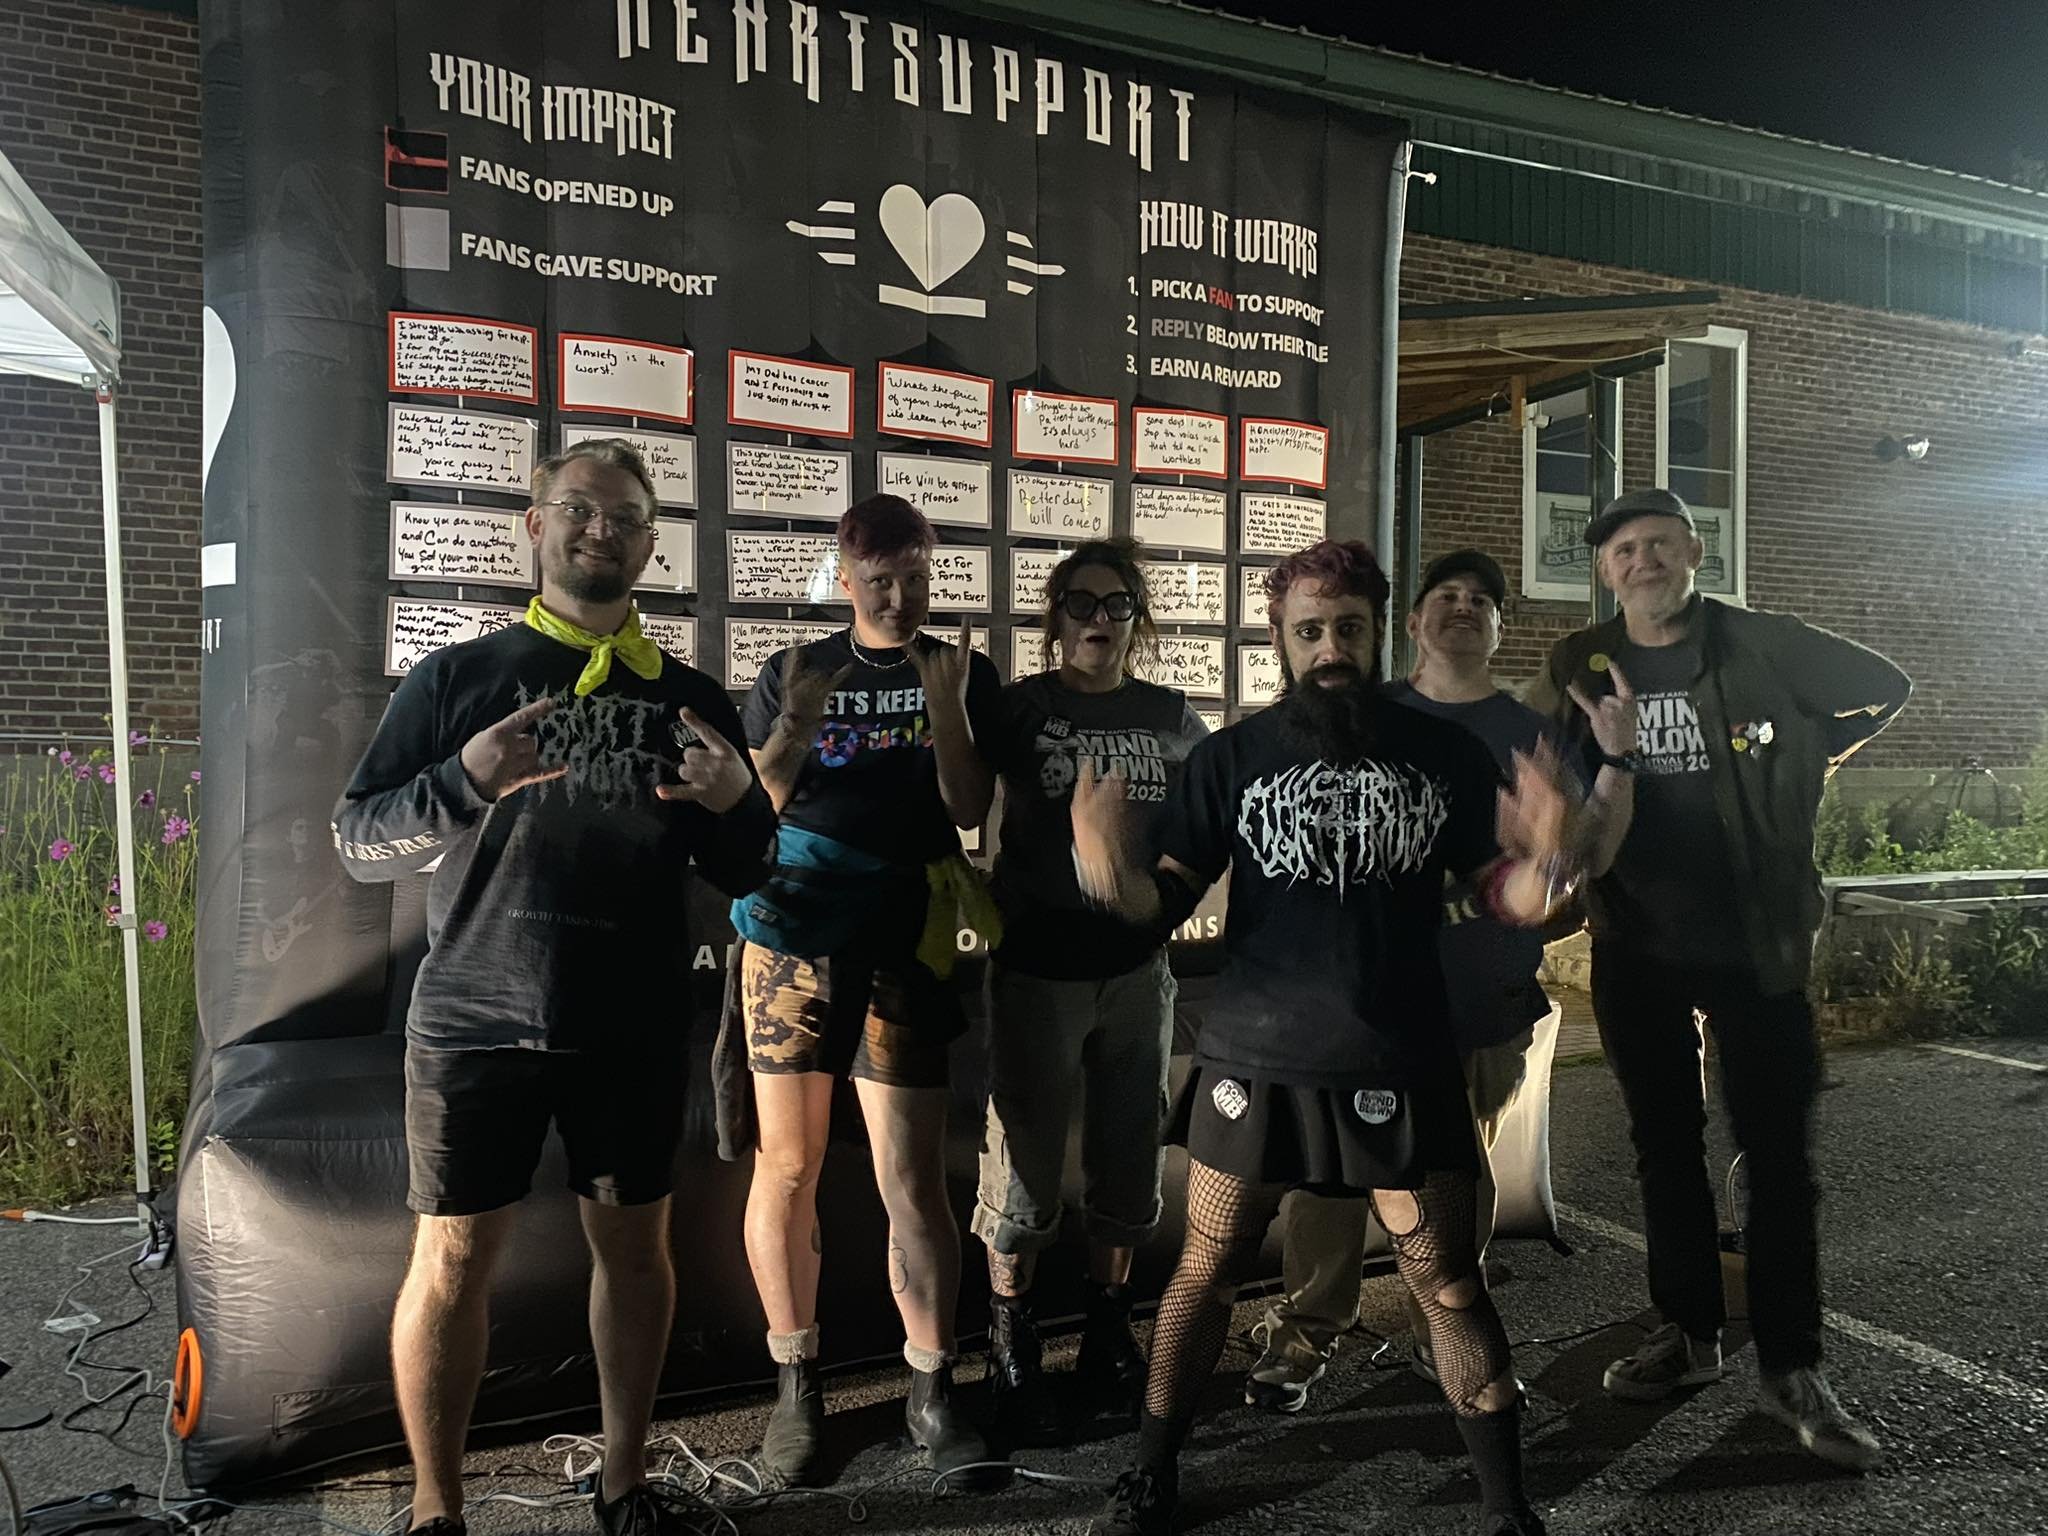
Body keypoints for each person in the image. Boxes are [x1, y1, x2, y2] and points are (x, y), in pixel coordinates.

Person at [1074, 538, 1591, 1536]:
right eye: (1308, 631)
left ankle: (1505, 1507)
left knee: (1446, 1281)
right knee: (1205, 1269)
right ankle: (1149, 1475)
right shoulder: (1231, 757)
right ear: (1279, 637)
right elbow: (1160, 904)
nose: (1328, 649)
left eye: (1347, 629)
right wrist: (1107, 872)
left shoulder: (1443, 754)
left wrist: (1547, 860)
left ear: (1377, 631)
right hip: (1254, 1057)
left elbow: (1507, 898)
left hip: (1400, 1053)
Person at [333, 439, 777, 1536]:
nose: (600, 531)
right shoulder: (456, 680)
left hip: (629, 1026)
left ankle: (622, 1486)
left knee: (635, 1255)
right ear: (535, 525)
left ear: (650, 546)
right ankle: (436, 1511)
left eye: (625, 518)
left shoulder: (686, 699)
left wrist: (737, 803)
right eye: (579, 509)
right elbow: (358, 842)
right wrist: (461, 781)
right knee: (449, 1259)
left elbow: (751, 871)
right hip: (471, 1022)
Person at [1525, 486, 1910, 1471]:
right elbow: (1544, 768)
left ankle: (1792, 1366)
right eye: (1623, 551)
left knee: (1777, 1159)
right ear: (1604, 570)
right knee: (1663, 1148)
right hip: (1636, 942)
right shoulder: (1579, 662)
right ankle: (1688, 1334)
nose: (1642, 561)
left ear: (1695, 551)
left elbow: (1886, 684)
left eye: (1659, 543)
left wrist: (1815, 750)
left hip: (1755, 943)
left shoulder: (1762, 642)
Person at [1242, 548, 1636, 1413]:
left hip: (1480, 998)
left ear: (1499, 629)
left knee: (1456, 1180)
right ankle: (1307, 1329)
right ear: (1412, 623)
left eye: (1482, 600)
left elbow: (1573, 861)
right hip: (1357, 1006)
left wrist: (1583, 812)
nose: (1464, 606)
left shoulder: (1529, 733)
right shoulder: (1362, 713)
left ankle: (1441, 1332)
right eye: (1445, 595)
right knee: (1329, 1177)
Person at [730, 493, 1007, 1489]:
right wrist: (797, 723)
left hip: (905, 936)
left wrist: (947, 712)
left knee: (911, 1176)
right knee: (787, 1165)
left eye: (915, 578)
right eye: (880, 581)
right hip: (792, 931)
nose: (898, 598)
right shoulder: (792, 668)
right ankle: (794, 1388)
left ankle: (931, 1390)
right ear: (846, 578)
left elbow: (969, 808)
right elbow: (753, 809)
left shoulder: (960, 669)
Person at [974, 539, 1209, 1442]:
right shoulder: (1020, 708)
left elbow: (1200, 832)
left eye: (1116, 605)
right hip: (1037, 971)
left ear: (1136, 622)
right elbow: (961, 799)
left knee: (1128, 1159)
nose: (1098, 619)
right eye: (1081, 602)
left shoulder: (1172, 716)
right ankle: (1011, 1343)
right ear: (1056, 617)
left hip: (1137, 971)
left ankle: (1108, 1332)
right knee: (1024, 1172)